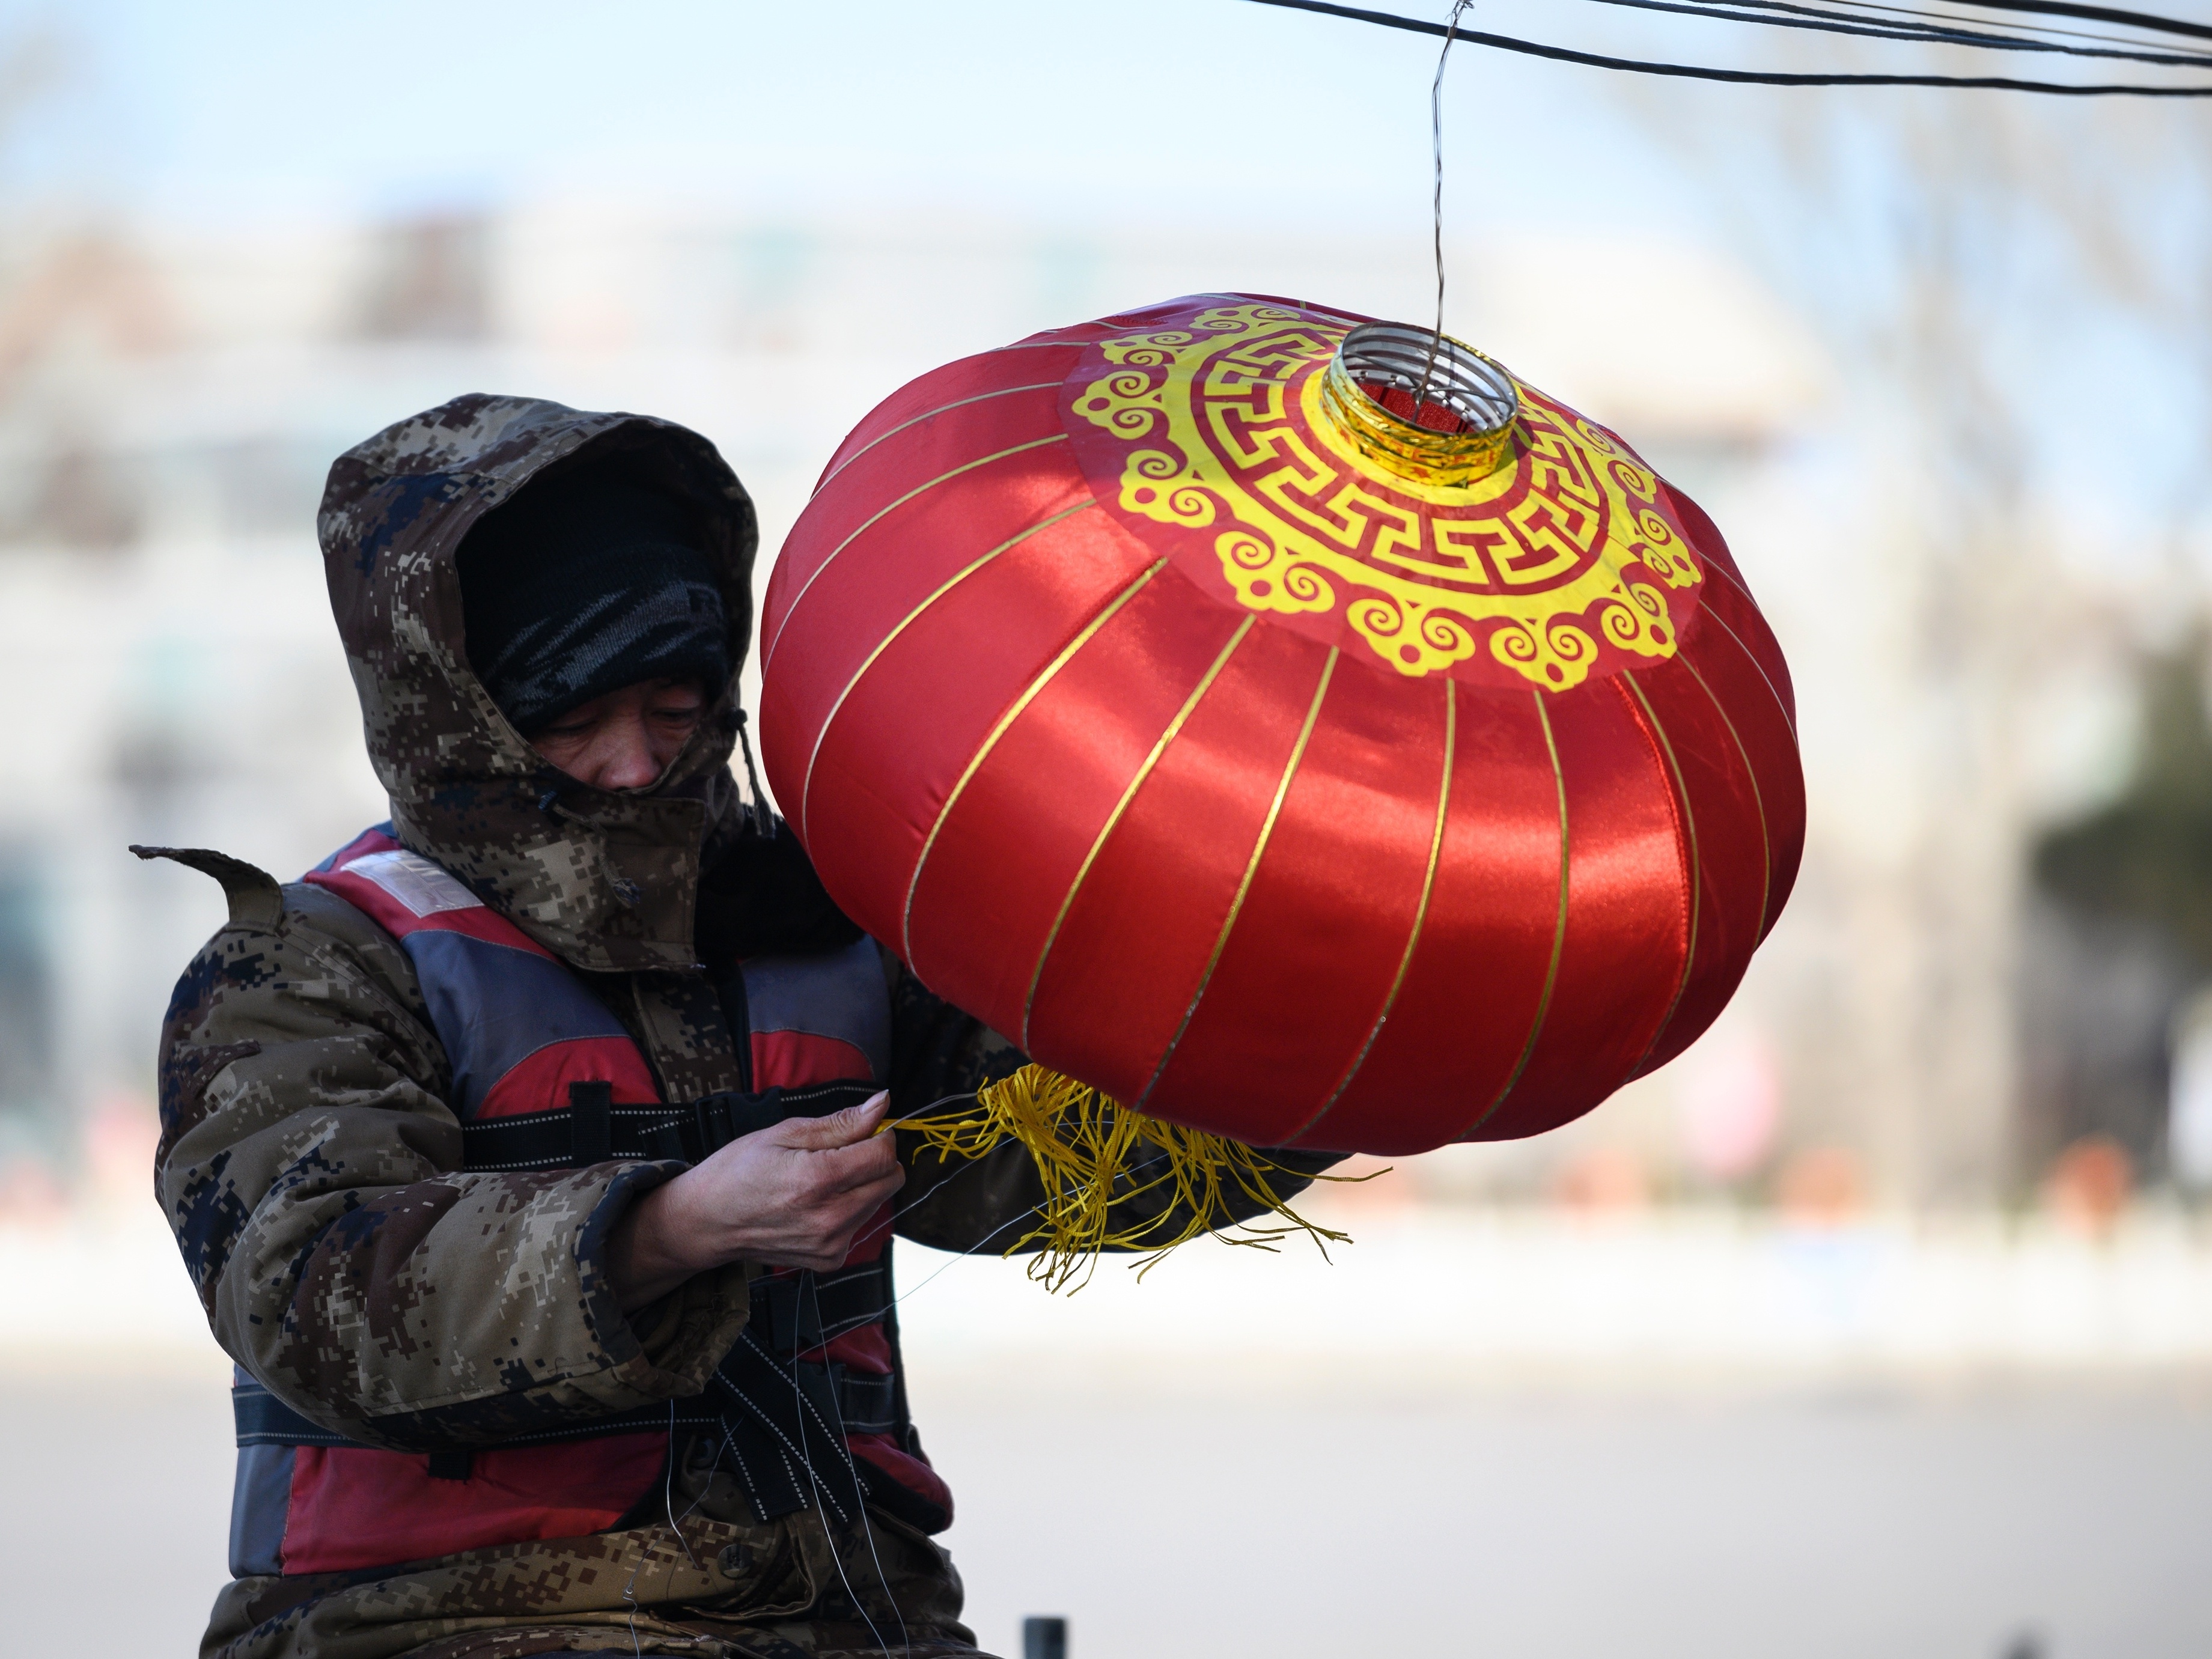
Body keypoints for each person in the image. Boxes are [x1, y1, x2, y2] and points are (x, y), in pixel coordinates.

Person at [145, 394, 1339, 1659]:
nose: (633, 762)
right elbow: (310, 1292)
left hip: (857, 1616)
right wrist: (664, 1230)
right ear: (451, 709)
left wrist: (1331, 1051)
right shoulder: (309, 965)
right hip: (444, 1621)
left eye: (672, 708)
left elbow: (1055, 1161)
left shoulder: (836, 919)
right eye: (568, 716)